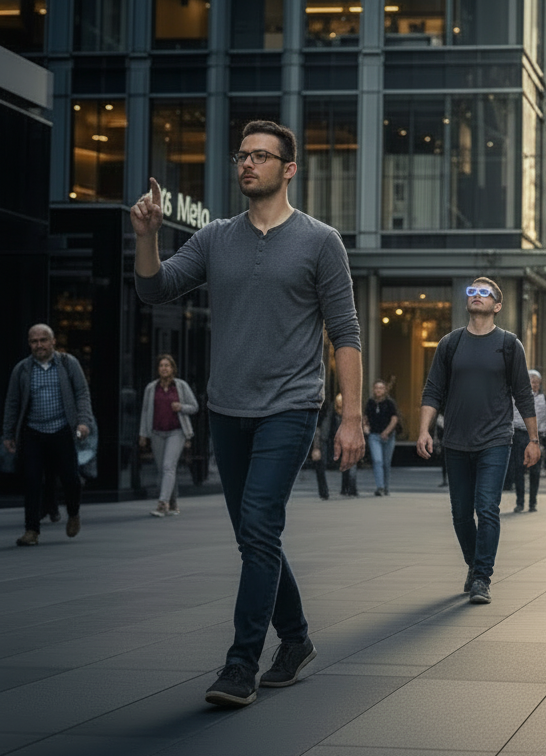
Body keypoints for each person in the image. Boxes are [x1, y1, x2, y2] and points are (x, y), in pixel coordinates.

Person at [132, 120, 364, 707]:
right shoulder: (215, 238)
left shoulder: (320, 241)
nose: (247, 164)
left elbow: (346, 333)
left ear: (289, 169)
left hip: (290, 405)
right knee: (253, 536)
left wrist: (352, 416)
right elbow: (156, 290)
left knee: (260, 527)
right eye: (242, 155)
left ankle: (241, 664)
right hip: (227, 408)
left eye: (261, 156)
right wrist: (147, 237)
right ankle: (297, 639)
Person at [417, 277, 538, 605]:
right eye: (473, 291)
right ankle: (474, 563)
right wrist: (424, 430)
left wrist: (534, 439)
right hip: (455, 441)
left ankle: (482, 576)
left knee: (487, 508)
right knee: (460, 513)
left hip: (496, 440)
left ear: (497, 306)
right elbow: (432, 390)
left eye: (485, 293)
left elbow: (523, 395)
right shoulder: (450, 344)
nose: (477, 295)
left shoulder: (509, 345)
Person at [4, 324, 93, 546]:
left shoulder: (67, 363)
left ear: (53, 342)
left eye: (43, 340)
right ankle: (31, 530)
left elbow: (82, 393)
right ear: (29, 344)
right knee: (32, 480)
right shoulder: (22, 369)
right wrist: (8, 433)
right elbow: (12, 403)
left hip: (62, 430)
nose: (39, 345)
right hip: (33, 432)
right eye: (34, 341)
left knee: (71, 479)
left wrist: (83, 422)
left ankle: (73, 513)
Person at [138, 354, 199, 516]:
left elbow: (194, 407)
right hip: (157, 432)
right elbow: (145, 412)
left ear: (173, 368)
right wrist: (143, 434)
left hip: (176, 432)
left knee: (168, 466)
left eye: (167, 365)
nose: (164, 368)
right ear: (158, 369)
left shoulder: (180, 386)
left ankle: (162, 504)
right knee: (163, 469)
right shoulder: (151, 388)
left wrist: (181, 407)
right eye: (161, 366)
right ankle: (172, 502)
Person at [511, 369, 546, 512]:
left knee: (535, 471)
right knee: (519, 469)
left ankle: (532, 502)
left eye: (536, 381)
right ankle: (520, 502)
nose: (534, 384)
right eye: (531, 381)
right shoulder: (515, 397)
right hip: (519, 435)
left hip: (538, 437)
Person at [363, 379, 399, 496]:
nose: (378, 390)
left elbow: (394, 419)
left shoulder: (390, 403)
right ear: (373, 389)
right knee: (377, 461)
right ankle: (380, 487)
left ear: (384, 390)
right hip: (374, 436)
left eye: (381, 388)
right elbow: (365, 417)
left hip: (388, 437)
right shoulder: (370, 403)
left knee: (386, 463)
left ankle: (386, 486)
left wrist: (386, 432)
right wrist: (365, 426)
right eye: (376, 388)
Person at [333, 392, 359, 497]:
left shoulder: (352, 413)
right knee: (345, 466)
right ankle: (345, 489)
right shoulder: (334, 414)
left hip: (352, 441)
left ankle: (352, 489)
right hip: (341, 443)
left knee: (351, 466)